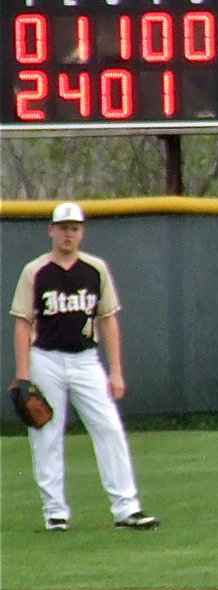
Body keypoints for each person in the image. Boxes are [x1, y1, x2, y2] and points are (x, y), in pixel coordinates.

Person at [10, 202, 159, 532]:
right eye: (62, 227)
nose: (68, 233)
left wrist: (116, 370)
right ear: (51, 231)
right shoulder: (35, 271)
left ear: (82, 232)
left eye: (74, 227)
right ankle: (55, 512)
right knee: (46, 434)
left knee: (109, 429)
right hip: (45, 358)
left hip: (86, 360)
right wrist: (23, 376)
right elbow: (23, 323)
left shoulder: (95, 269)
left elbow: (108, 319)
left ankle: (126, 509)